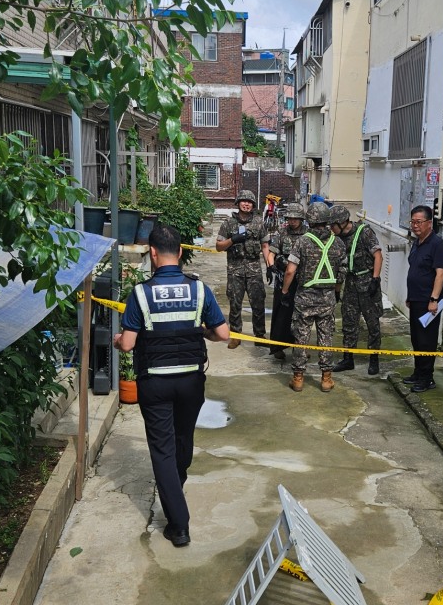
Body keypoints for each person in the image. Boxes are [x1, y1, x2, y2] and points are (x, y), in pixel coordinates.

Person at [114, 223, 229, 547]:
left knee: (163, 451)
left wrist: (118, 340)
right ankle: (174, 487)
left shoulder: (140, 294)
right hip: (192, 381)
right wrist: (201, 331)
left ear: (152, 253)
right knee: (182, 440)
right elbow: (224, 335)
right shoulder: (199, 289)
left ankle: (178, 526)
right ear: (180, 252)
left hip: (155, 384)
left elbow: (128, 345)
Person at [281, 201, 347, 393]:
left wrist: (285, 291)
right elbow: (342, 271)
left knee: (301, 337)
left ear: (309, 219)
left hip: (304, 299)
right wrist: (336, 291)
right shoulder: (339, 243)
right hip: (327, 298)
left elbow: (290, 271)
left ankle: (298, 378)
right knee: (326, 337)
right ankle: (326, 379)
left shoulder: (302, 241)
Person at [329, 205, 383, 377]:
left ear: (343, 222)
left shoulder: (364, 232)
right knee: (349, 322)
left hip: (367, 282)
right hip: (351, 283)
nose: (331, 229)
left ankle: (374, 359)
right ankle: (348, 358)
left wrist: (375, 279)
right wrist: (337, 290)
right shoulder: (338, 238)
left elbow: (378, 255)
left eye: (333, 225)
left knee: (372, 323)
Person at [404, 204, 443, 393]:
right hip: (416, 299)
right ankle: (418, 372)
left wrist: (433, 299)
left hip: (429, 302)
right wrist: (409, 296)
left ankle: (427, 378)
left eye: (419, 222)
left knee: (426, 341)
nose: (415, 226)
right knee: (416, 338)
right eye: (413, 222)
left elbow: (440, 275)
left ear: (429, 223)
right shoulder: (417, 242)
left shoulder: (438, 245)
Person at [215, 190, 267, 349]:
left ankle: (260, 335)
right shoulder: (228, 224)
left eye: (249, 202)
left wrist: (270, 266)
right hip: (235, 270)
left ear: (253, 205)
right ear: (238, 203)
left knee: (258, 304)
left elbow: (265, 245)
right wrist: (233, 239)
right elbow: (218, 246)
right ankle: (236, 335)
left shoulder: (259, 223)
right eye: (243, 201)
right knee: (235, 304)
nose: (246, 204)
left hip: (254, 271)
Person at [262, 202, 307, 360]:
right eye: (290, 218)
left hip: (302, 280)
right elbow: (272, 253)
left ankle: (300, 347)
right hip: (283, 279)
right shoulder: (282, 232)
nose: (292, 221)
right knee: (280, 312)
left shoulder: (308, 234)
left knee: (302, 316)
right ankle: (277, 347)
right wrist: (270, 266)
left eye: (296, 218)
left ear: (301, 219)